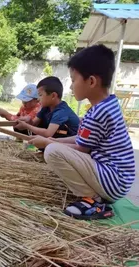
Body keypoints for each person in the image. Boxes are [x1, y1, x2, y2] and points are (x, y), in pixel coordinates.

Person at [29, 45, 135, 220]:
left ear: (91, 81)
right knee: (54, 146)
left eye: (73, 80)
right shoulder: (106, 106)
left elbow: (80, 149)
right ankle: (94, 195)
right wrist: (50, 139)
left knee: (53, 152)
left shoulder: (99, 112)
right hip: (117, 179)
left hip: (113, 180)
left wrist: (49, 143)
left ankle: (93, 200)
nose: (70, 87)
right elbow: (81, 139)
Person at [14, 76, 79, 139]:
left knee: (40, 131)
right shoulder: (46, 107)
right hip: (56, 135)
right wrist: (29, 120)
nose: (38, 99)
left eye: (40, 95)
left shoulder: (61, 111)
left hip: (69, 139)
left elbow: (48, 133)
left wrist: (26, 126)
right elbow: (34, 123)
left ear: (53, 96)